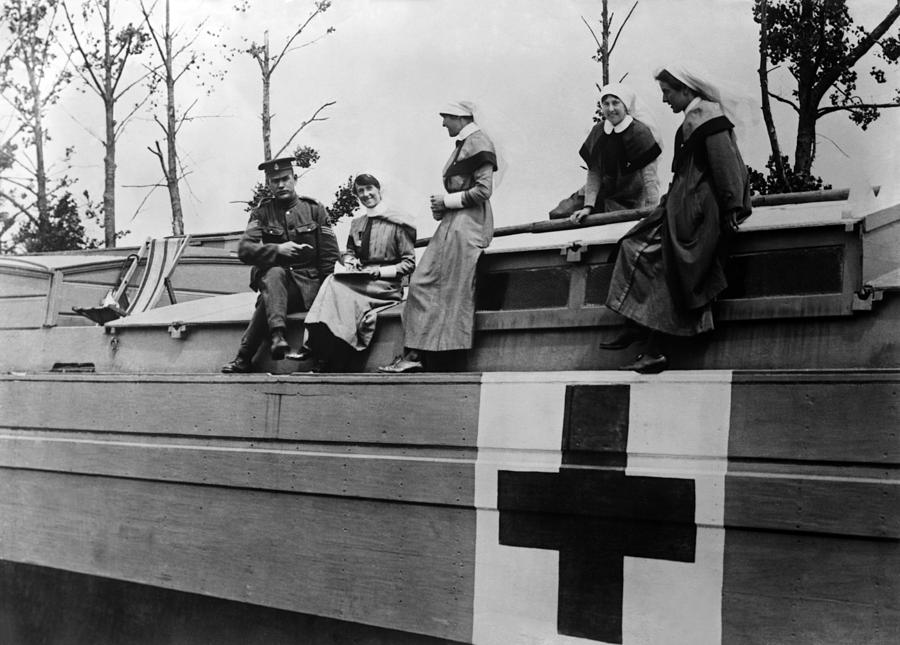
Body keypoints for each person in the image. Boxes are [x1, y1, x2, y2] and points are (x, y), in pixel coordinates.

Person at [601, 64, 752, 374]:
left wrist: (731, 209)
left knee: (664, 264)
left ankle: (652, 347)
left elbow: (727, 168)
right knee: (631, 245)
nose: (666, 99)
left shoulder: (708, 119)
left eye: (668, 93)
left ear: (686, 90)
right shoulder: (694, 118)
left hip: (698, 211)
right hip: (682, 205)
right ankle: (636, 323)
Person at [378, 100, 498, 373]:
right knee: (425, 284)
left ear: (459, 117)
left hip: (468, 227)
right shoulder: (466, 143)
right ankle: (416, 354)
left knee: (439, 286)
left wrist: (446, 201)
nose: (443, 123)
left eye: (445, 117)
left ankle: (426, 355)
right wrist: (443, 207)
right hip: (455, 224)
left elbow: (483, 191)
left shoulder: (479, 142)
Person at [221, 157, 340, 374]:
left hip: (308, 288)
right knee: (274, 273)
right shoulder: (262, 213)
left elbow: (329, 256)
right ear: (269, 184)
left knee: (268, 299)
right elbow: (244, 250)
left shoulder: (314, 209)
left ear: (294, 179)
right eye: (274, 181)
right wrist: (277, 250)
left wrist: (327, 295)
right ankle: (276, 335)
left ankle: (245, 356)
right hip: (276, 284)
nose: (281, 184)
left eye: (285, 179)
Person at [300, 173, 416, 371]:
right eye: (360, 191)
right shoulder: (357, 224)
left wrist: (380, 272)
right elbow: (350, 252)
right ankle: (318, 346)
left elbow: (408, 263)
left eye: (370, 189)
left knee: (341, 293)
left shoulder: (398, 222)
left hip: (385, 286)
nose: (366, 194)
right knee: (332, 282)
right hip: (361, 281)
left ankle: (325, 356)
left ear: (379, 191)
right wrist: (350, 260)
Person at [569, 82, 662, 224]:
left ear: (625, 105)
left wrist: (651, 212)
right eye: (606, 104)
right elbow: (594, 172)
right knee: (561, 213)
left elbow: (650, 178)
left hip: (631, 199)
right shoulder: (598, 131)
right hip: (603, 194)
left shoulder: (639, 132)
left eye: (615, 103)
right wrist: (588, 206)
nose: (610, 109)